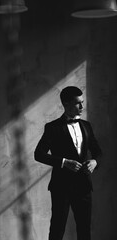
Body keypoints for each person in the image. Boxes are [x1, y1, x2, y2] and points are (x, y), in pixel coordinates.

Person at [34, 86, 102, 240]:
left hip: (83, 185)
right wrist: (64, 162)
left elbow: (98, 152)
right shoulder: (52, 128)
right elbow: (38, 154)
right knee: (57, 229)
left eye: (82, 102)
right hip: (61, 186)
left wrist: (94, 162)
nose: (82, 107)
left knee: (84, 230)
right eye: (78, 103)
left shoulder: (86, 126)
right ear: (65, 104)